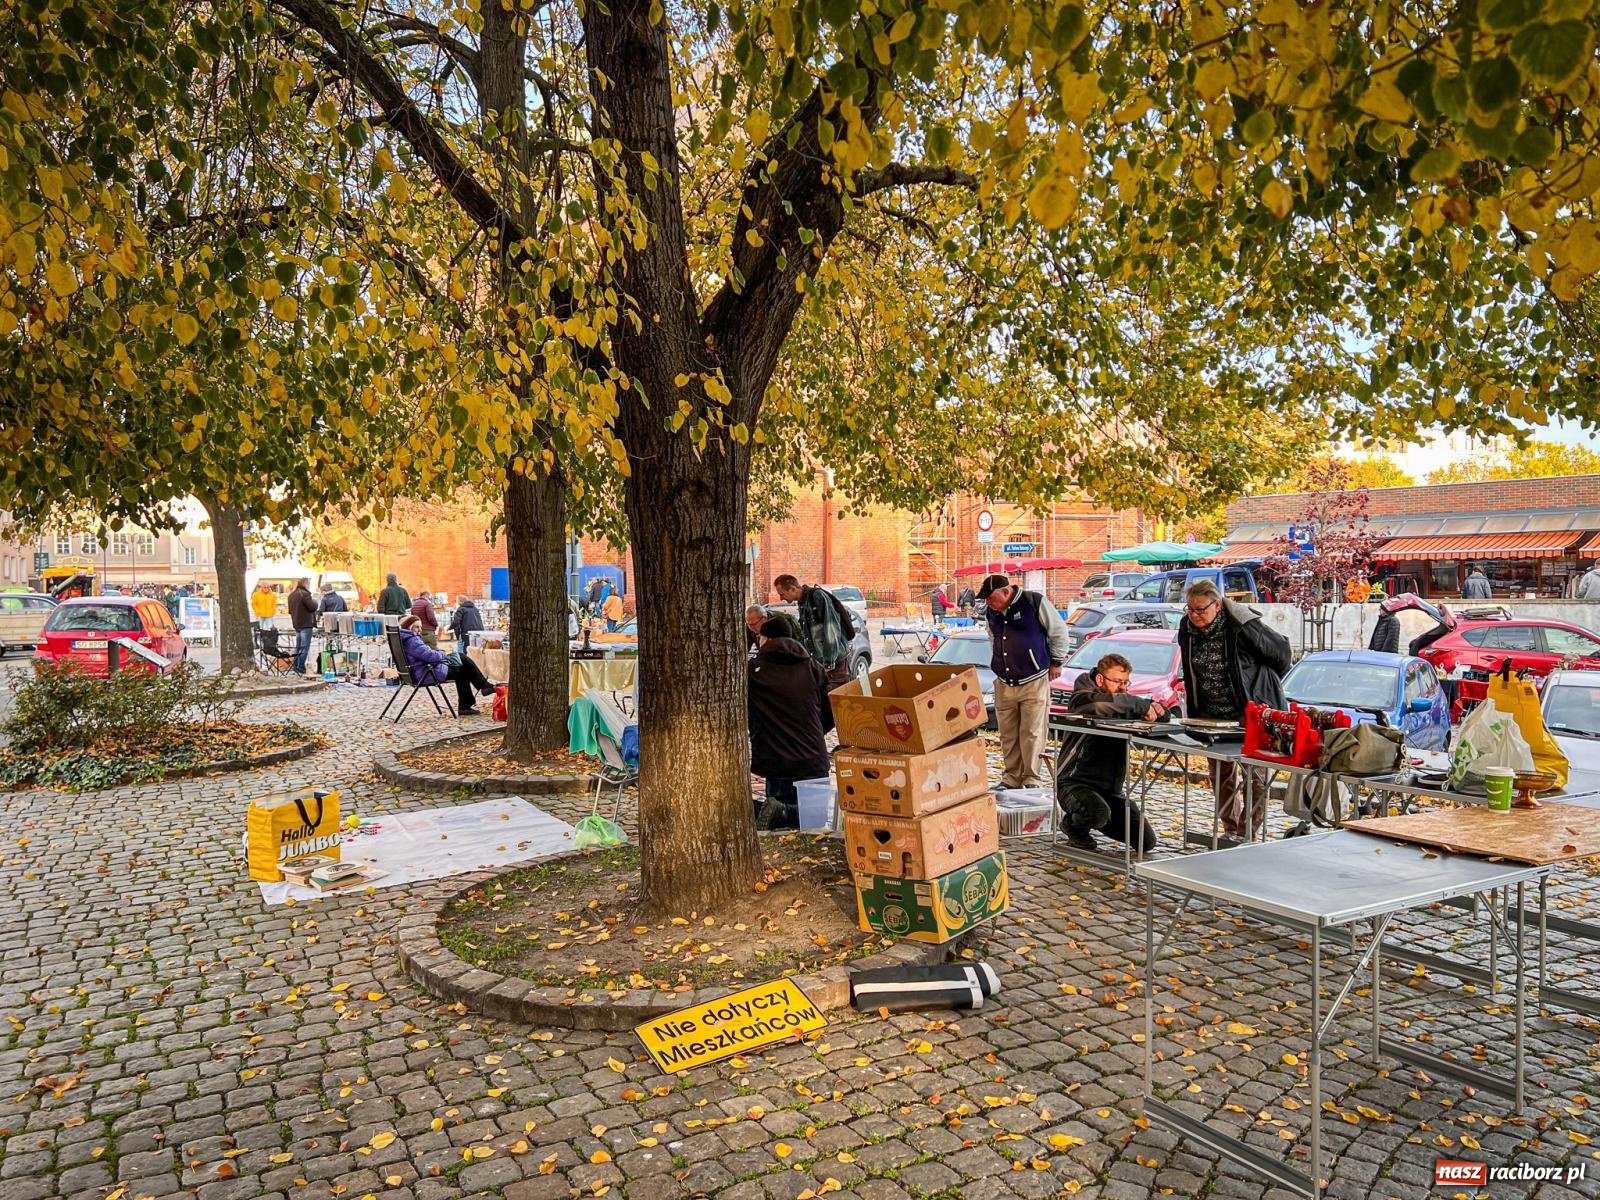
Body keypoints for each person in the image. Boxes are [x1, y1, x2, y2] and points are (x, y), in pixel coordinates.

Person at [1177, 579, 1292, 839]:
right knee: (1221, 774)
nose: (1194, 615)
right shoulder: (1187, 627)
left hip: (1249, 711)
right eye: (1190, 609)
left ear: (1217, 605)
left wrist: (1261, 686)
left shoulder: (1242, 625)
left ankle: (1248, 831)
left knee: (1256, 775)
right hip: (1210, 712)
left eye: (1200, 609)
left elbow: (1282, 655)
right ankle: (1230, 829)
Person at [1056, 653, 1165, 853]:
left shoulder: (1122, 701)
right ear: (1099, 679)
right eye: (1117, 681)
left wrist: (1157, 709)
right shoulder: (1082, 697)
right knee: (1098, 813)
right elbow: (1099, 705)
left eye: (1126, 682)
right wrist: (1140, 704)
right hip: (1073, 784)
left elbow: (1156, 714)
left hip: (1110, 790)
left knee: (1146, 842)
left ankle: (1099, 817)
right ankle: (1072, 825)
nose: (1122, 688)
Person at [977, 573, 1071, 789]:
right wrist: (998, 660)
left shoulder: (1033, 602)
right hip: (1004, 680)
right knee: (1008, 734)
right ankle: (1011, 776)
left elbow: (1058, 631)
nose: (989, 603)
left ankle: (1031, 777)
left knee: (1032, 731)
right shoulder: (992, 612)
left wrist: (1056, 661)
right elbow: (993, 638)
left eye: (991, 598)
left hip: (1033, 679)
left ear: (1005, 592)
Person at [748, 616, 835, 829]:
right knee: (815, 821)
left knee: (779, 825)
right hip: (813, 759)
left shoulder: (754, 672)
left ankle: (770, 810)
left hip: (777, 761)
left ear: (765, 639)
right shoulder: (813, 667)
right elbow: (829, 714)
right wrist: (810, 735)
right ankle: (778, 811)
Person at [396, 613, 496, 715]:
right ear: (408, 627)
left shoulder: (405, 638)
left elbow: (425, 654)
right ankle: (478, 693)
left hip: (419, 671)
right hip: (426, 673)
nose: (420, 630)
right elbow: (430, 656)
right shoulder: (412, 640)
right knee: (463, 666)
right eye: (417, 627)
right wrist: (443, 653)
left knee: (461, 658)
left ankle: (481, 690)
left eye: (420, 627)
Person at [773, 573, 857, 685]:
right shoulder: (803, 603)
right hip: (820, 663)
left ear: (793, 589)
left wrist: (828, 663)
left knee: (836, 700)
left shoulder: (817, 596)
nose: (781, 598)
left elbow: (831, 628)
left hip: (834, 664)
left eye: (782, 594)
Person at [286, 578, 318, 674]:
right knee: (304, 647)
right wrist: (315, 602)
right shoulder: (304, 594)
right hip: (305, 623)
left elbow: (290, 611)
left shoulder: (291, 595)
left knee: (298, 646)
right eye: (308, 583)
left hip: (296, 623)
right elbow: (312, 607)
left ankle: (296, 665)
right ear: (305, 583)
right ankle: (300, 666)